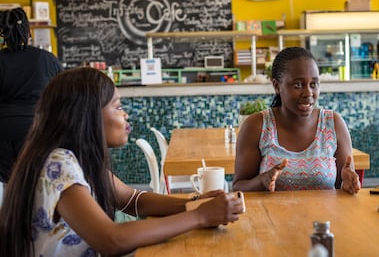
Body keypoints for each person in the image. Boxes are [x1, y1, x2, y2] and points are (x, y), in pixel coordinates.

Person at [0, 67, 244, 256]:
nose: (125, 114)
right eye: (117, 107)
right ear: (88, 116)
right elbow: (111, 240)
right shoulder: (58, 162)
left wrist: (194, 203)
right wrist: (199, 216)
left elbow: (132, 199)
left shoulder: (79, 160)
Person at [232, 47, 360, 194]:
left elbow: (343, 185)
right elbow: (238, 186)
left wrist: (347, 183)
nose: (308, 93)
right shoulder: (257, 126)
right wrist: (262, 181)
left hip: (324, 217)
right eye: (298, 85)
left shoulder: (333, 123)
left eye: (313, 84)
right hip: (273, 216)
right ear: (277, 86)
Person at [0, 7, 63, 182]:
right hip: (38, 128)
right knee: (35, 181)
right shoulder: (47, 59)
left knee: (7, 183)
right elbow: (63, 94)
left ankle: (9, 209)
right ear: (29, 32)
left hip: (3, 130)